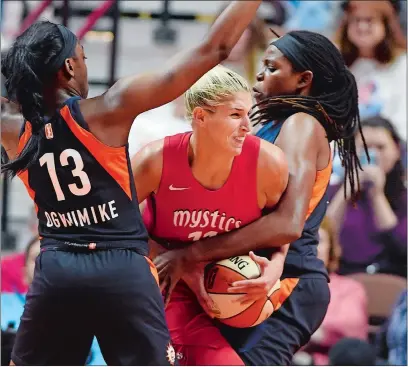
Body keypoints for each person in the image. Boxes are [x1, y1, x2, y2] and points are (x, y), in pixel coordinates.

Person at [0, 1, 263, 364]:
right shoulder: (109, 109)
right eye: (84, 57)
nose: (86, 67)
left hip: (59, 268)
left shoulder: (13, 130)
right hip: (121, 268)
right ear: (69, 66)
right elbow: (215, 48)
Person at [154, 29, 367, 365]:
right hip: (243, 271)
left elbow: (286, 223)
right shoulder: (264, 127)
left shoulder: (302, 124)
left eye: (271, 68)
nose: (259, 73)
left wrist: (189, 255)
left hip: (285, 280)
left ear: (303, 80)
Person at [133, 65, 289, 365]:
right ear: (201, 117)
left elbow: (281, 227)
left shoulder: (269, 164)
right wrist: (182, 262)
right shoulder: (155, 161)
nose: (247, 125)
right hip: (167, 286)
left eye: (248, 113)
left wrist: (277, 266)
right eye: (235, 115)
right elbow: (115, 227)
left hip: (236, 288)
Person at [327, 116, 407, 277]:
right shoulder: (332, 192)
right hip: (341, 280)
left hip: (392, 280)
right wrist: (346, 192)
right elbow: (322, 235)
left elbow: (402, 247)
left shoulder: (403, 199)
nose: (372, 154)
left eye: (380, 147)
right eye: (364, 147)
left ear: (397, 150)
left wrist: (377, 196)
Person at [296, 216, 368, 365]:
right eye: (305, 241)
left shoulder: (350, 289)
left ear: (331, 248)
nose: (311, 247)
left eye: (318, 241)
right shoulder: (279, 285)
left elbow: (350, 332)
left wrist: (295, 332)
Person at [335, 0, 407, 140]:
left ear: (385, 25)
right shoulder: (336, 65)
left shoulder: (402, 65)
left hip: (389, 147)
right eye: (356, 20)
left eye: (369, 20)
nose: (362, 27)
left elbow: (403, 121)